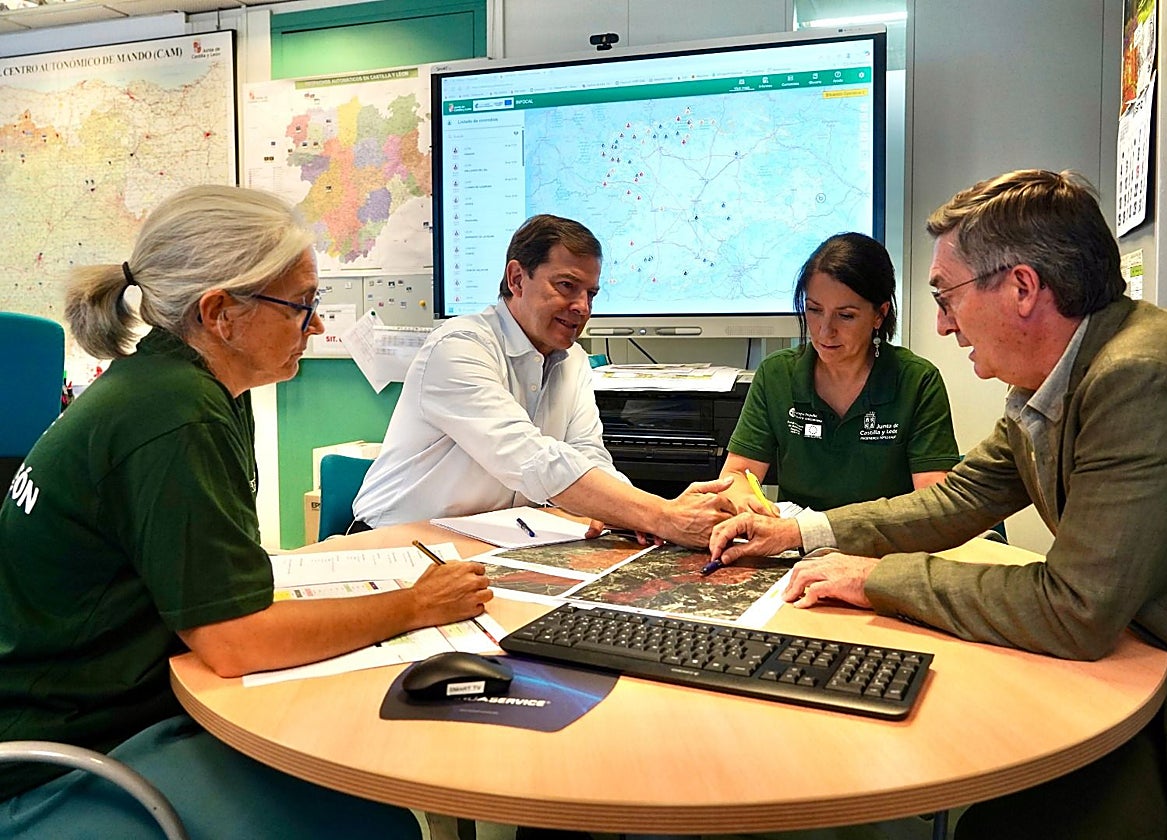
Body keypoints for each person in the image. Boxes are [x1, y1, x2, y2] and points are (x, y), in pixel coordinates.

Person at [709, 169, 1167, 840]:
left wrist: (876, 578)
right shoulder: (1057, 373)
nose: (940, 324)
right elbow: (961, 498)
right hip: (1136, 656)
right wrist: (802, 532)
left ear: (1023, 287)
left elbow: (1076, 609)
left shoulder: (1137, 376)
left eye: (948, 296)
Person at [0, 185, 491, 839]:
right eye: (302, 306)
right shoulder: (174, 412)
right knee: (377, 826)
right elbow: (237, 644)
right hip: (62, 758)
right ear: (221, 313)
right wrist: (417, 605)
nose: (315, 326)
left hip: (111, 704)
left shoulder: (184, 387)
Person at [352, 213, 734, 547]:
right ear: (517, 278)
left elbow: (587, 454)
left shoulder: (575, 361)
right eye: (566, 286)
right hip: (397, 540)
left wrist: (635, 513)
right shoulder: (458, 348)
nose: (583, 307)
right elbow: (534, 459)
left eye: (591, 293)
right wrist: (661, 514)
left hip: (492, 541)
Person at [719, 232, 959, 515]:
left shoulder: (917, 381)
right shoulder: (776, 374)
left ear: (879, 314)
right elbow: (735, 476)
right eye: (814, 310)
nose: (824, 330)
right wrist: (744, 498)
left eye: (845, 316)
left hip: (882, 549)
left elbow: (933, 503)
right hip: (792, 546)